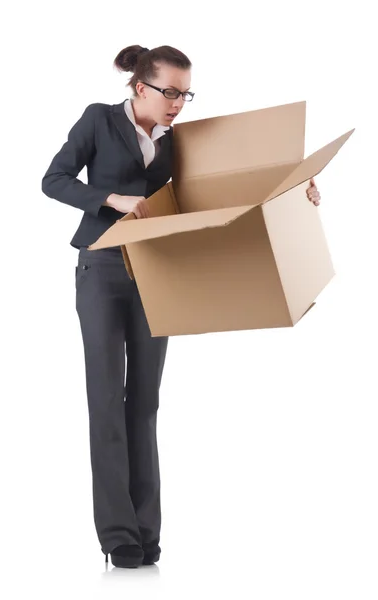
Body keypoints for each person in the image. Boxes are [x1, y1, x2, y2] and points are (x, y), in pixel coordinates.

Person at [41, 44, 322, 569]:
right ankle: (118, 535)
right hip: (101, 270)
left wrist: (299, 190)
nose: (179, 104)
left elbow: (225, 189)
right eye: (170, 92)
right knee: (106, 401)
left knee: (143, 403)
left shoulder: (181, 141)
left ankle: (147, 534)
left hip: (158, 270)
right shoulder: (98, 121)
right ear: (141, 87)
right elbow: (53, 179)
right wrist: (110, 198)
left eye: (185, 93)